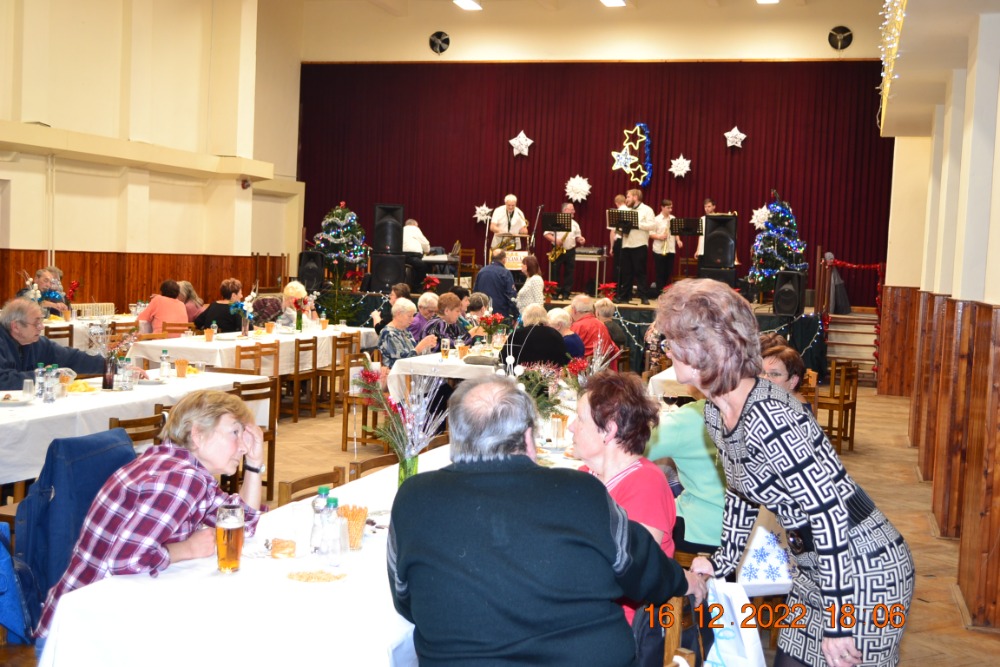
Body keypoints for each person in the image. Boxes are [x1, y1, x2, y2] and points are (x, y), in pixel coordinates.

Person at [656, 278, 914, 667]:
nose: (667, 350)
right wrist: (724, 559)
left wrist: (839, 621)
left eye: (671, 342)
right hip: (812, 567)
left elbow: (829, 514)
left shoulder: (769, 415)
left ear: (702, 351)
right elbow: (741, 492)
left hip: (861, 569)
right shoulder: (716, 410)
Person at [387, 375, 706, 665]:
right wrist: (684, 581)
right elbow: (642, 569)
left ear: (455, 438)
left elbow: (406, 602)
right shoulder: (580, 491)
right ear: (529, 437)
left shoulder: (412, 498)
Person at [35, 389, 266, 640]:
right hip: (81, 633)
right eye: (235, 432)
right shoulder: (182, 479)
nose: (244, 446)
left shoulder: (174, 464)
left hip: (81, 616)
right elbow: (126, 560)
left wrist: (254, 464)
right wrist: (188, 548)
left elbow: (242, 522)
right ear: (197, 434)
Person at [570, 371, 677, 662]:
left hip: (621, 630)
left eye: (579, 419)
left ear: (609, 431)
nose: (571, 426)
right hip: (585, 619)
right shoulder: (584, 476)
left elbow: (637, 573)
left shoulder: (646, 484)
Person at [645, 387, 726, 555]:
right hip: (754, 529)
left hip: (700, 530)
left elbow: (632, 450)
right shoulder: (759, 410)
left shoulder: (689, 418)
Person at [0, 298, 106, 390]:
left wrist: (108, 365)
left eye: (41, 322)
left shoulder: (36, 343)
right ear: (16, 327)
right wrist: (43, 375)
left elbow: (72, 358)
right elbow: (3, 381)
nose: (42, 327)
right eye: (36, 323)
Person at [616, 189, 657, 305]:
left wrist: (636, 224)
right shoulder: (625, 210)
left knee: (640, 272)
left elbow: (652, 225)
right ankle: (625, 296)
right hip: (626, 244)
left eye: (628, 197)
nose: (626, 199)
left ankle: (643, 296)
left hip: (639, 245)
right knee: (626, 273)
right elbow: (618, 227)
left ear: (635, 197)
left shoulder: (647, 209)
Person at [377, 298, 437, 369]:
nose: (412, 319)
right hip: (395, 373)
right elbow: (400, 363)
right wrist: (420, 347)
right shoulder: (388, 333)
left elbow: (414, 355)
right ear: (398, 314)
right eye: (409, 316)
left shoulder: (406, 331)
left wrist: (427, 347)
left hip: (410, 371)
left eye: (413, 316)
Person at [502, 304, 569, 367]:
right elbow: (563, 361)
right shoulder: (555, 334)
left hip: (520, 374)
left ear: (525, 318)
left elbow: (503, 358)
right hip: (550, 374)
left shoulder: (517, 334)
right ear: (545, 317)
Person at [544, 202, 586, 299]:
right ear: (565, 210)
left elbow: (577, 236)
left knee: (569, 273)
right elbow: (546, 234)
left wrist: (580, 239)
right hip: (558, 249)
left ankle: (566, 293)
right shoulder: (556, 220)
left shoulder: (575, 224)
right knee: (555, 272)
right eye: (572, 209)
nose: (574, 211)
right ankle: (555, 293)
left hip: (570, 250)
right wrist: (555, 240)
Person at [568, 295, 620, 364]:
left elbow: (567, 352)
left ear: (574, 311)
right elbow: (614, 350)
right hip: (602, 366)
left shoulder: (577, 326)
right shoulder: (602, 325)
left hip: (583, 368)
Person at [761, 344, 811, 410]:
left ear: (793, 381)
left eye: (774, 374)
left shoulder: (796, 413)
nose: (764, 378)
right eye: (763, 372)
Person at [473, 249, 517, 319]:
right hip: (500, 315)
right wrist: (515, 314)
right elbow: (511, 296)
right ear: (504, 260)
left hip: (483, 313)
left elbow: (475, 293)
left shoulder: (481, 271)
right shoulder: (505, 273)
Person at [650, 199, 683, 292]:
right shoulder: (656, 219)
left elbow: (676, 232)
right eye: (668, 208)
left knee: (668, 272)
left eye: (671, 208)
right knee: (660, 272)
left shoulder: (673, 218)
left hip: (670, 249)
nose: (670, 210)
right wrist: (659, 237)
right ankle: (659, 292)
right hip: (659, 250)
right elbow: (650, 234)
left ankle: (663, 290)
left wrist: (678, 240)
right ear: (662, 207)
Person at [402, 219, 431, 290]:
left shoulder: (401, 229)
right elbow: (425, 243)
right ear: (414, 224)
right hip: (412, 256)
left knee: (417, 266)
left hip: (401, 256)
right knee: (423, 267)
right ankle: (416, 287)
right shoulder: (414, 228)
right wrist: (427, 251)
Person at [608, 194, 627, 286]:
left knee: (617, 266)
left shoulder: (616, 212)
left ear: (616, 203)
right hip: (628, 242)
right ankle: (625, 287)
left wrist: (611, 247)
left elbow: (613, 231)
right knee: (626, 266)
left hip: (619, 241)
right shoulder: (630, 211)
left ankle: (617, 288)